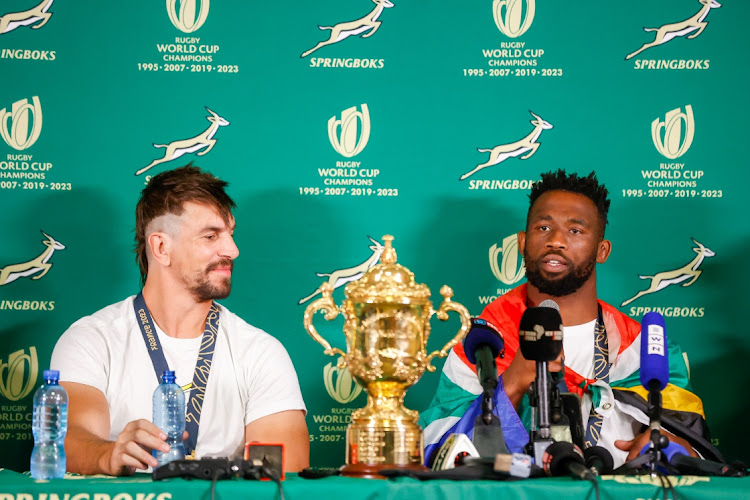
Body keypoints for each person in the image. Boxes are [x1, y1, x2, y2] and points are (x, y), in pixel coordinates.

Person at [420, 169, 711, 468]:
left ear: (602, 250)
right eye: (543, 228)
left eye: (575, 230)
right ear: (521, 242)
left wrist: (671, 446)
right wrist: (510, 385)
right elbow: (438, 447)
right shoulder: (484, 344)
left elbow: (695, 449)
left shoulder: (641, 349)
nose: (556, 241)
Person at [51, 164, 309, 476]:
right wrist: (109, 455)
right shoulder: (92, 340)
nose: (232, 250)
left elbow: (285, 473)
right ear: (161, 247)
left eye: (230, 234)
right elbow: (66, 440)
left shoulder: (261, 352)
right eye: (211, 235)